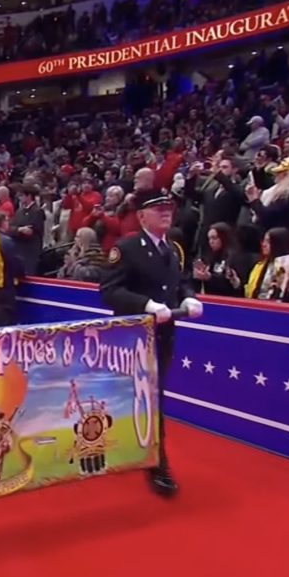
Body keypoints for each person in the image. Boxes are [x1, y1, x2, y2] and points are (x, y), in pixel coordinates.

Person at [99, 189, 203, 496]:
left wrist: (189, 296)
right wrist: (146, 304)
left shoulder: (172, 249)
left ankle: (154, 459)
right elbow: (109, 291)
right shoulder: (127, 247)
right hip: (132, 338)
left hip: (163, 336)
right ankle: (139, 455)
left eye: (169, 208)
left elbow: (180, 280)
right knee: (124, 396)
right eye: (158, 209)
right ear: (142, 216)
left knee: (153, 398)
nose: (166, 213)